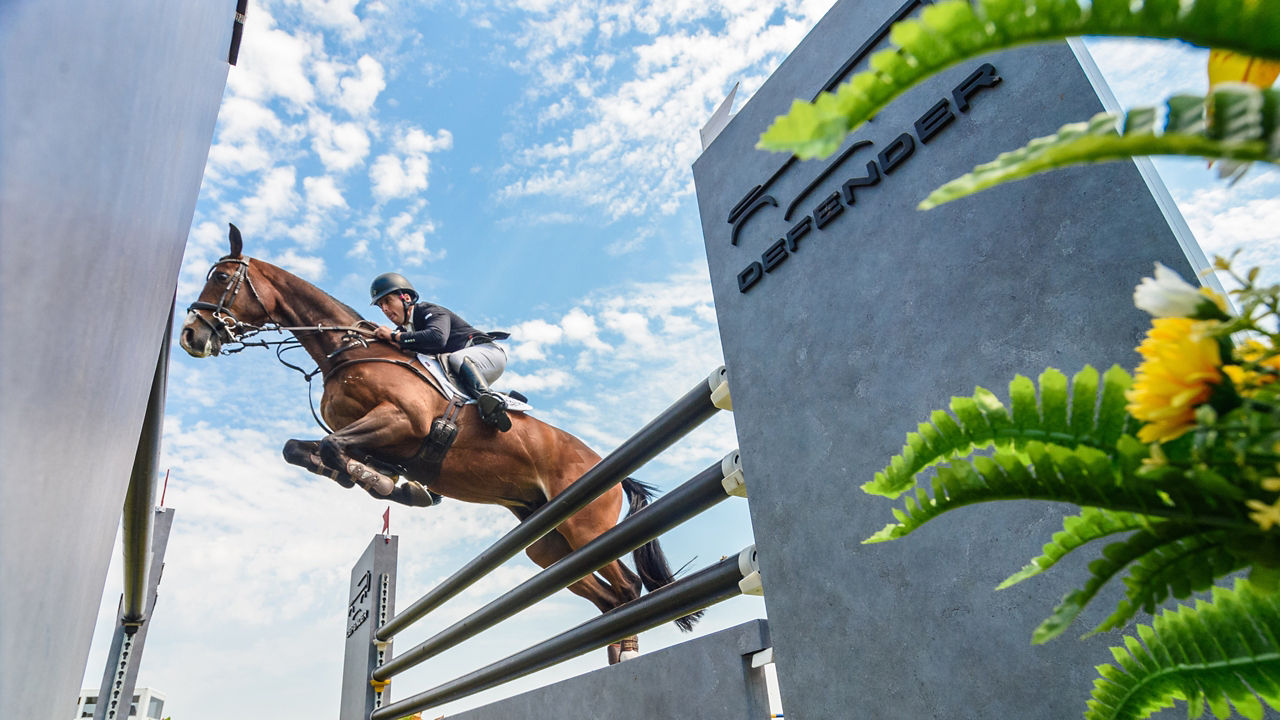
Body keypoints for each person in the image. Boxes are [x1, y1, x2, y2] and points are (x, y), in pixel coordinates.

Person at [369, 272, 512, 432]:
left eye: (387, 301)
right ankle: (495, 398)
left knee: (457, 358)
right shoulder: (405, 330)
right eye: (381, 306)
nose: (385, 309)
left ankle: (490, 401)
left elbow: (437, 338)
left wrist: (394, 336)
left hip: (488, 353)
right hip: (463, 368)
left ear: (406, 298)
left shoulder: (428, 310)